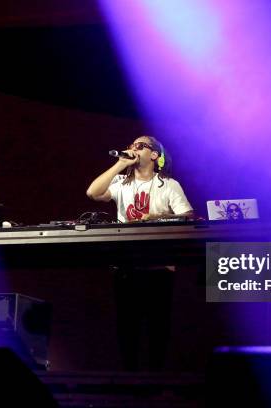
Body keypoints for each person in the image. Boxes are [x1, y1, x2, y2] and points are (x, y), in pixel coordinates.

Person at [86, 135, 193, 370]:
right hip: (127, 266)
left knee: (158, 330)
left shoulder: (168, 184)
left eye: (140, 146)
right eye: (131, 145)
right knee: (127, 329)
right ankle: (129, 382)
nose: (133, 148)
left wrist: (156, 217)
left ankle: (155, 382)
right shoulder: (121, 183)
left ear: (154, 155)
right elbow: (93, 193)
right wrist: (120, 164)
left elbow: (188, 216)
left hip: (159, 268)